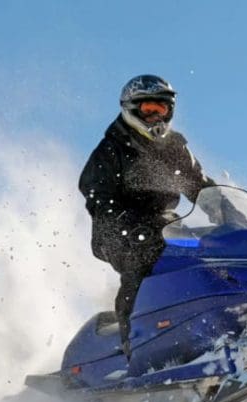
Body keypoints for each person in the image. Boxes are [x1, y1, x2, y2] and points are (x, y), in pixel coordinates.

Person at [78, 74, 215, 356]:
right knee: (142, 261)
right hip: (116, 228)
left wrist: (227, 209)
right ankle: (134, 348)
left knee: (206, 254)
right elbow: (95, 192)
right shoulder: (111, 148)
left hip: (163, 224)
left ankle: (206, 329)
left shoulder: (174, 147)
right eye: (148, 110)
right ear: (131, 109)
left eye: (160, 110)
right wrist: (120, 221)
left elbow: (199, 184)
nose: (155, 117)